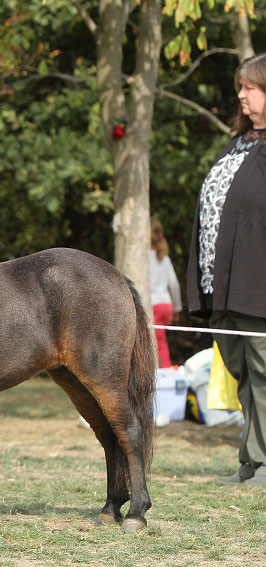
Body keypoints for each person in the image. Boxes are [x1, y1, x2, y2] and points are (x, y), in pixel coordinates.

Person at [186, 53, 266, 486]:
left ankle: (263, 464)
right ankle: (252, 462)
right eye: (241, 87)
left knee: (264, 373)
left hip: (257, 285)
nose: (241, 95)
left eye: (250, 87)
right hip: (222, 284)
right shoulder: (240, 142)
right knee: (244, 373)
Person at [150, 217, 182, 368]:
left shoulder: (143, 259)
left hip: (153, 305)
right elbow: (174, 284)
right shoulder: (165, 258)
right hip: (166, 304)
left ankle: (165, 370)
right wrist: (177, 308)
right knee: (161, 340)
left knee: (158, 343)